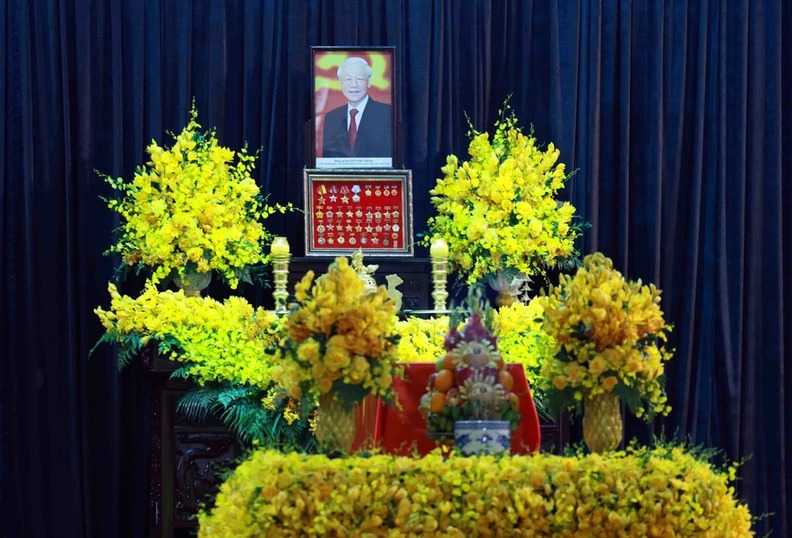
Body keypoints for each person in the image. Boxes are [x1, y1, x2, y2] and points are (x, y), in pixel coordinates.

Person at [321, 57, 393, 159]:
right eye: (348, 79)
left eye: (359, 79)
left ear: (368, 82)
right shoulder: (332, 117)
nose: (353, 85)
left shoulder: (387, 113)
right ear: (340, 83)